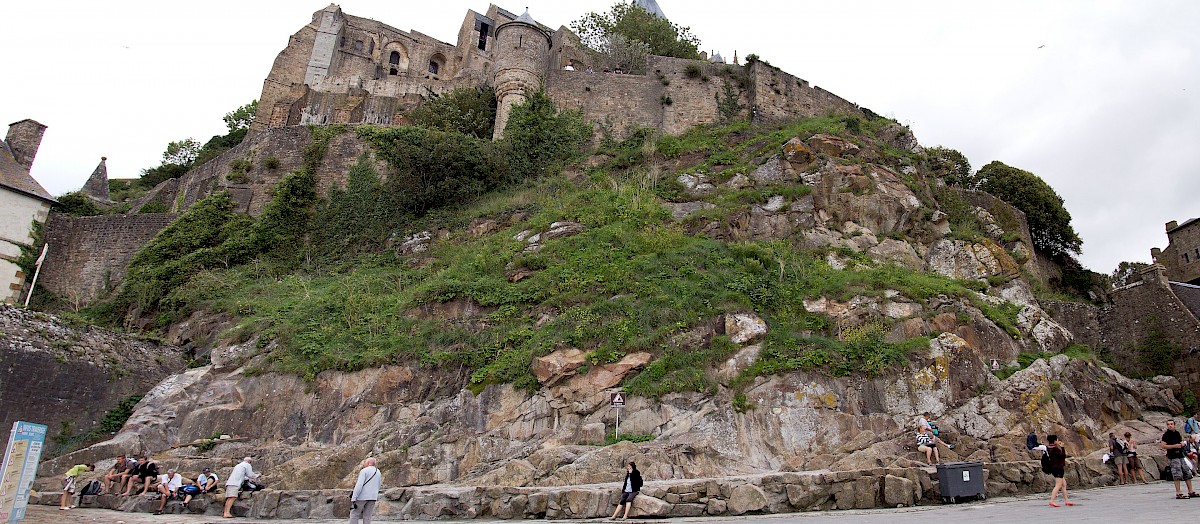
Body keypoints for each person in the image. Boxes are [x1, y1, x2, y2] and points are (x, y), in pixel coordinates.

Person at [1161, 419, 1198, 499]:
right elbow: (1163, 446)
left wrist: (1181, 443)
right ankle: (1178, 492)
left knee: (1187, 473)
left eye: (1171, 424)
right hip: (1173, 456)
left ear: (1174, 425)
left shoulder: (1177, 433)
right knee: (1177, 474)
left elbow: (1180, 442)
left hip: (1180, 455)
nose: (1170, 425)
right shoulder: (1166, 435)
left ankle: (1190, 491)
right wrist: (1174, 446)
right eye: (1168, 424)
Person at [349, 457, 381, 524]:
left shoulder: (364, 471)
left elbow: (359, 485)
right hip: (373, 497)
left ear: (368, 463)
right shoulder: (378, 471)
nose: (364, 463)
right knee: (367, 516)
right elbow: (378, 484)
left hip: (362, 497)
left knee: (354, 514)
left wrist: (354, 497)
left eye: (365, 462)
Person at [1045, 435, 1073, 507]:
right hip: (1058, 468)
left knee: (1064, 484)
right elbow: (1062, 456)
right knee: (1058, 485)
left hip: (1053, 468)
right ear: (1054, 441)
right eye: (1057, 440)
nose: (1058, 441)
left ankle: (1067, 500)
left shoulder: (1048, 448)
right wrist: (1062, 447)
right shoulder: (1055, 449)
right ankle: (1052, 500)